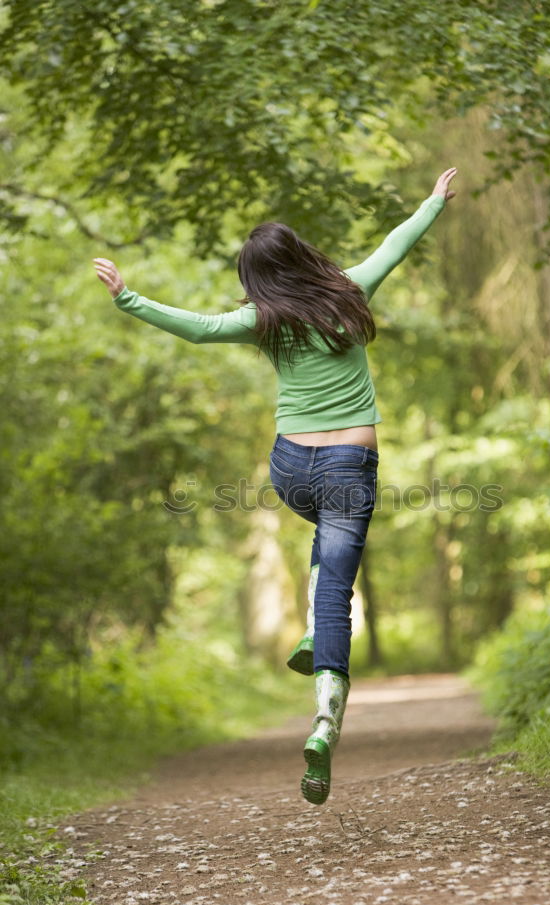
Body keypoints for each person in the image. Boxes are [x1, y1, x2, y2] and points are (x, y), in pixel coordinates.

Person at [94, 166, 457, 805]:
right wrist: (432, 203)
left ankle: (316, 634)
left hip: (288, 470)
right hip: (349, 465)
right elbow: (395, 244)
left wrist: (129, 297)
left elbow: (199, 327)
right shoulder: (349, 291)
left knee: (325, 540)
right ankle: (325, 717)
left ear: (256, 278)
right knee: (338, 580)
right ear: (301, 256)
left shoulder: (262, 321)